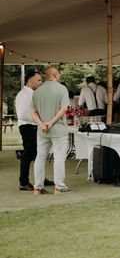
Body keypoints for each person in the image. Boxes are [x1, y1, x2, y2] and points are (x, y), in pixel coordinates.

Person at [31, 66, 72, 194]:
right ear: (54, 74)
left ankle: (37, 187)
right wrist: (51, 122)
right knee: (59, 158)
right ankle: (59, 186)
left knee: (40, 158)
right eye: (58, 73)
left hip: (42, 131)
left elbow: (33, 111)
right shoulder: (62, 89)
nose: (60, 75)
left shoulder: (37, 91)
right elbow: (64, 108)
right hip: (58, 130)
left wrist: (42, 124)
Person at [15, 69, 44, 191]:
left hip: (32, 126)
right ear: (30, 80)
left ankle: (40, 179)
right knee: (28, 155)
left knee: (38, 155)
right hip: (28, 127)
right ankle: (23, 182)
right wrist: (39, 120)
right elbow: (22, 114)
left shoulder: (31, 93)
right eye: (38, 80)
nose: (41, 83)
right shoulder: (25, 94)